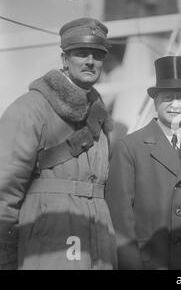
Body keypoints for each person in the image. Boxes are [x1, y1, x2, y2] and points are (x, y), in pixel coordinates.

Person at [0, 18, 117, 269]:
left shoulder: (100, 117)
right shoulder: (29, 110)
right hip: (47, 248)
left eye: (97, 55)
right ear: (64, 59)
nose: (90, 61)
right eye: (81, 54)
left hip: (98, 248)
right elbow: (4, 194)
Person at [105, 55, 181, 269]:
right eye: (167, 97)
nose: (175, 104)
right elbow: (120, 223)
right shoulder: (129, 148)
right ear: (155, 102)